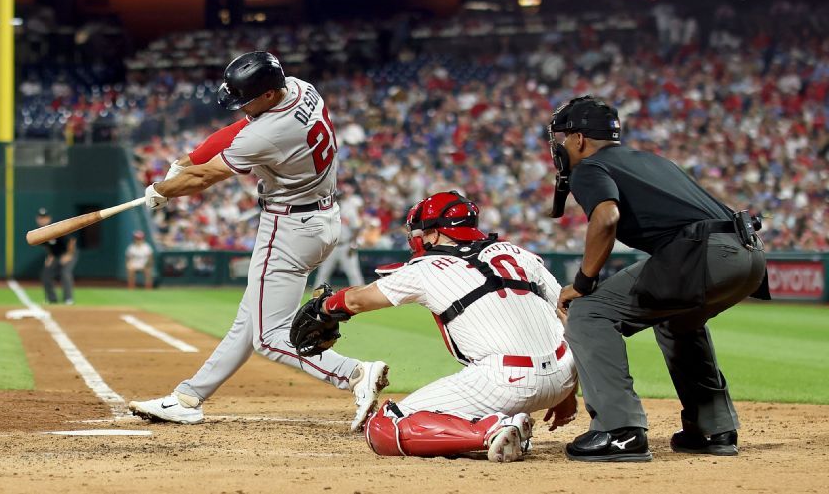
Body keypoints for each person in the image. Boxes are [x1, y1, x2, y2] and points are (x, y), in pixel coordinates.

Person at [129, 51, 389, 431]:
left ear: (268, 94)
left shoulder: (271, 131)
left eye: (247, 98)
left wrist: (163, 189)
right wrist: (189, 158)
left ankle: (353, 373)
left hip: (289, 228)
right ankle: (188, 397)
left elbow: (206, 178)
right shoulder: (301, 89)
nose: (242, 105)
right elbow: (237, 130)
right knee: (248, 323)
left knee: (269, 338)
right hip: (320, 217)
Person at [547, 96, 768, 462]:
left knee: (589, 312)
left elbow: (606, 218)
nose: (559, 147)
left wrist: (582, 283)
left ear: (579, 139)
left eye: (561, 138)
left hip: (703, 254)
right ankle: (713, 429)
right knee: (678, 320)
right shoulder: (650, 160)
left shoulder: (590, 167)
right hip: (749, 253)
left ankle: (620, 432)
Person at [292, 191, 577, 462]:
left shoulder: (427, 267)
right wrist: (568, 389)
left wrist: (326, 306)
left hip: (505, 382)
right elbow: (569, 316)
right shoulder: (518, 253)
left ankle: (491, 431)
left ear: (437, 232)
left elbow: (357, 301)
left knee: (383, 428)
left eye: (421, 232)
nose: (417, 239)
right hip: (565, 372)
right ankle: (501, 423)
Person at [313, 183, 365, 288]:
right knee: (323, 274)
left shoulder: (349, 210)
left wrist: (353, 244)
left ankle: (361, 298)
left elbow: (356, 228)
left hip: (345, 245)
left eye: (340, 196)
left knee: (354, 274)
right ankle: (316, 298)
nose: (338, 198)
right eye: (336, 196)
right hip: (330, 246)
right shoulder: (327, 210)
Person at [38, 208, 77, 305]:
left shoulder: (56, 228)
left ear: (49, 218)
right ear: (37, 219)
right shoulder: (39, 232)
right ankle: (52, 299)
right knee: (46, 274)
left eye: (45, 218)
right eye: (41, 218)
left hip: (69, 252)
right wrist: (50, 256)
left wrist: (69, 255)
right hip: (56, 255)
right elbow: (48, 246)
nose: (43, 220)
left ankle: (68, 299)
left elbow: (71, 241)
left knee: (65, 273)